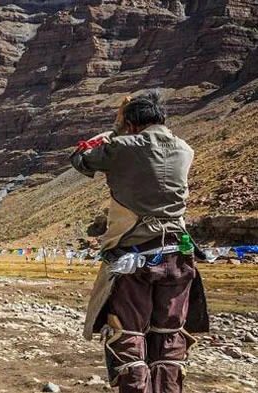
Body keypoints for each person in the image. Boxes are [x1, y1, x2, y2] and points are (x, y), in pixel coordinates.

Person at [71, 90, 209, 393]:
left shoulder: (123, 146)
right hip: (179, 256)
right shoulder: (185, 149)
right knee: (170, 337)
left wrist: (117, 126)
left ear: (133, 123)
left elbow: (81, 160)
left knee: (128, 339)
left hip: (135, 259)